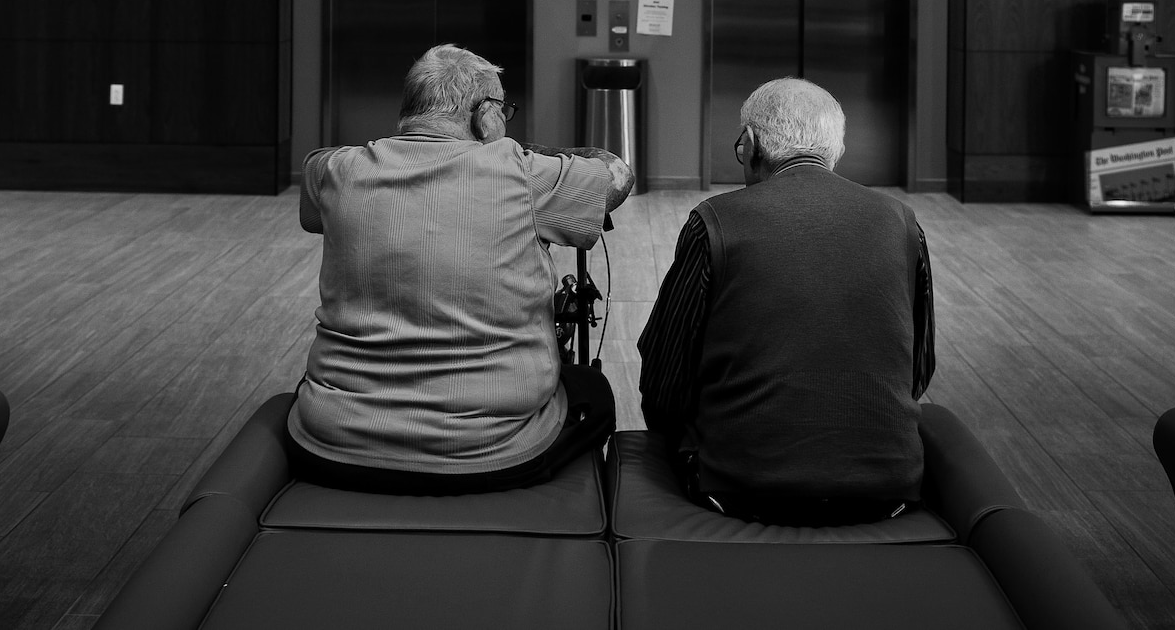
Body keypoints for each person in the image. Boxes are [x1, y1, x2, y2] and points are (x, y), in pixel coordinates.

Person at [286, 43, 635, 494]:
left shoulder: (336, 171)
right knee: (595, 392)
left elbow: (315, 183)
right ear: (485, 114)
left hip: (331, 442)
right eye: (503, 110)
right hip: (486, 450)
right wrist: (520, 149)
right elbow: (616, 176)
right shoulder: (521, 172)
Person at [638, 78, 935, 525]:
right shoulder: (902, 222)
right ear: (835, 149)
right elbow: (919, 367)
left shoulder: (715, 220)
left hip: (740, 490)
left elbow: (664, 376)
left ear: (753, 145)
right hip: (884, 493)